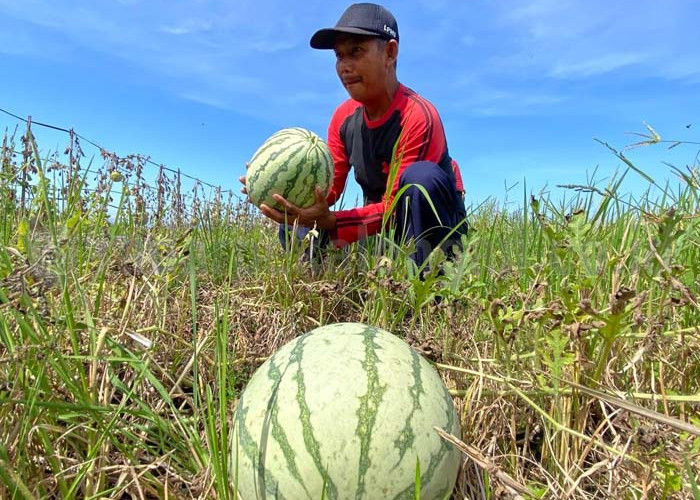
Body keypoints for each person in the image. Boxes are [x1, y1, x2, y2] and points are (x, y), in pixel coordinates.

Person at [241, 2, 467, 267]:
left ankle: (429, 290)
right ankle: (313, 278)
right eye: (339, 56)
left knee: (420, 179)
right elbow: (327, 189)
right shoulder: (343, 118)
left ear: (390, 53)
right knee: (298, 221)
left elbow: (396, 208)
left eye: (356, 51)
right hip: (377, 229)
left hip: (429, 230)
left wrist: (335, 222)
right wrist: (281, 192)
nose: (344, 66)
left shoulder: (418, 115)